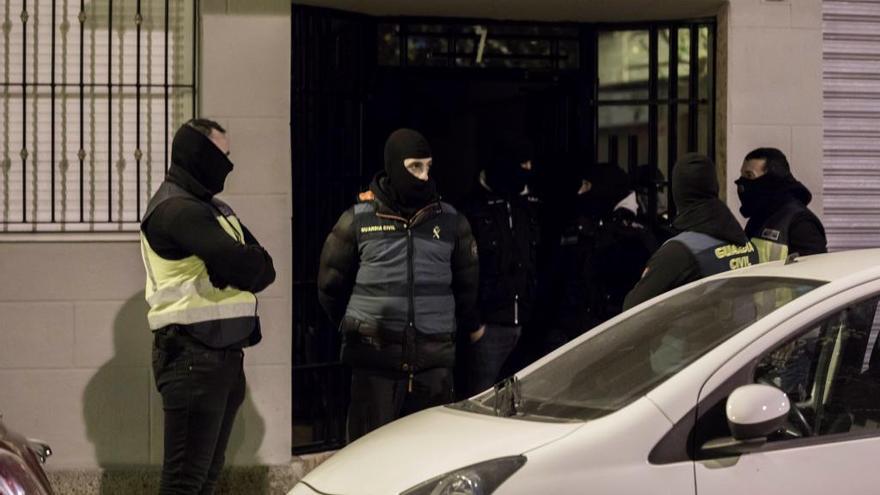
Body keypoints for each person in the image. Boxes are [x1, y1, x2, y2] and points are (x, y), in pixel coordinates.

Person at [140, 118, 276, 494]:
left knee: (204, 481)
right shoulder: (177, 209)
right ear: (199, 155)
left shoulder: (215, 210)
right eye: (222, 156)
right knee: (185, 483)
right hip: (192, 357)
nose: (228, 167)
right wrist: (237, 264)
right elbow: (245, 264)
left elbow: (265, 269)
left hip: (221, 357)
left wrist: (237, 265)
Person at [317, 128, 479, 440]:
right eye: (414, 167)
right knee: (369, 462)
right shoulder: (358, 219)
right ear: (394, 166)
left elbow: (466, 288)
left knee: (429, 461)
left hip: (433, 366)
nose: (423, 175)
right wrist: (359, 329)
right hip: (375, 366)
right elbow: (330, 287)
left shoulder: (450, 221)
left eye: (428, 166)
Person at [623, 153, 759, 310]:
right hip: (744, 332)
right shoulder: (744, 242)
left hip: (697, 334)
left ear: (678, 192)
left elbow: (632, 309)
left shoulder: (680, 251)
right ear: (714, 186)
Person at [460, 141, 540, 396]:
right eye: (523, 165)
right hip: (489, 327)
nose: (528, 170)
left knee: (521, 403)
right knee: (482, 400)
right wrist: (474, 325)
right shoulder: (473, 208)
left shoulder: (527, 204)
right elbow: (462, 269)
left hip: (526, 322)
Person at [736, 147, 827, 261]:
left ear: (771, 180)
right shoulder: (759, 217)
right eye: (742, 176)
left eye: (749, 176)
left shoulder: (801, 223)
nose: (742, 184)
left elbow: (813, 272)